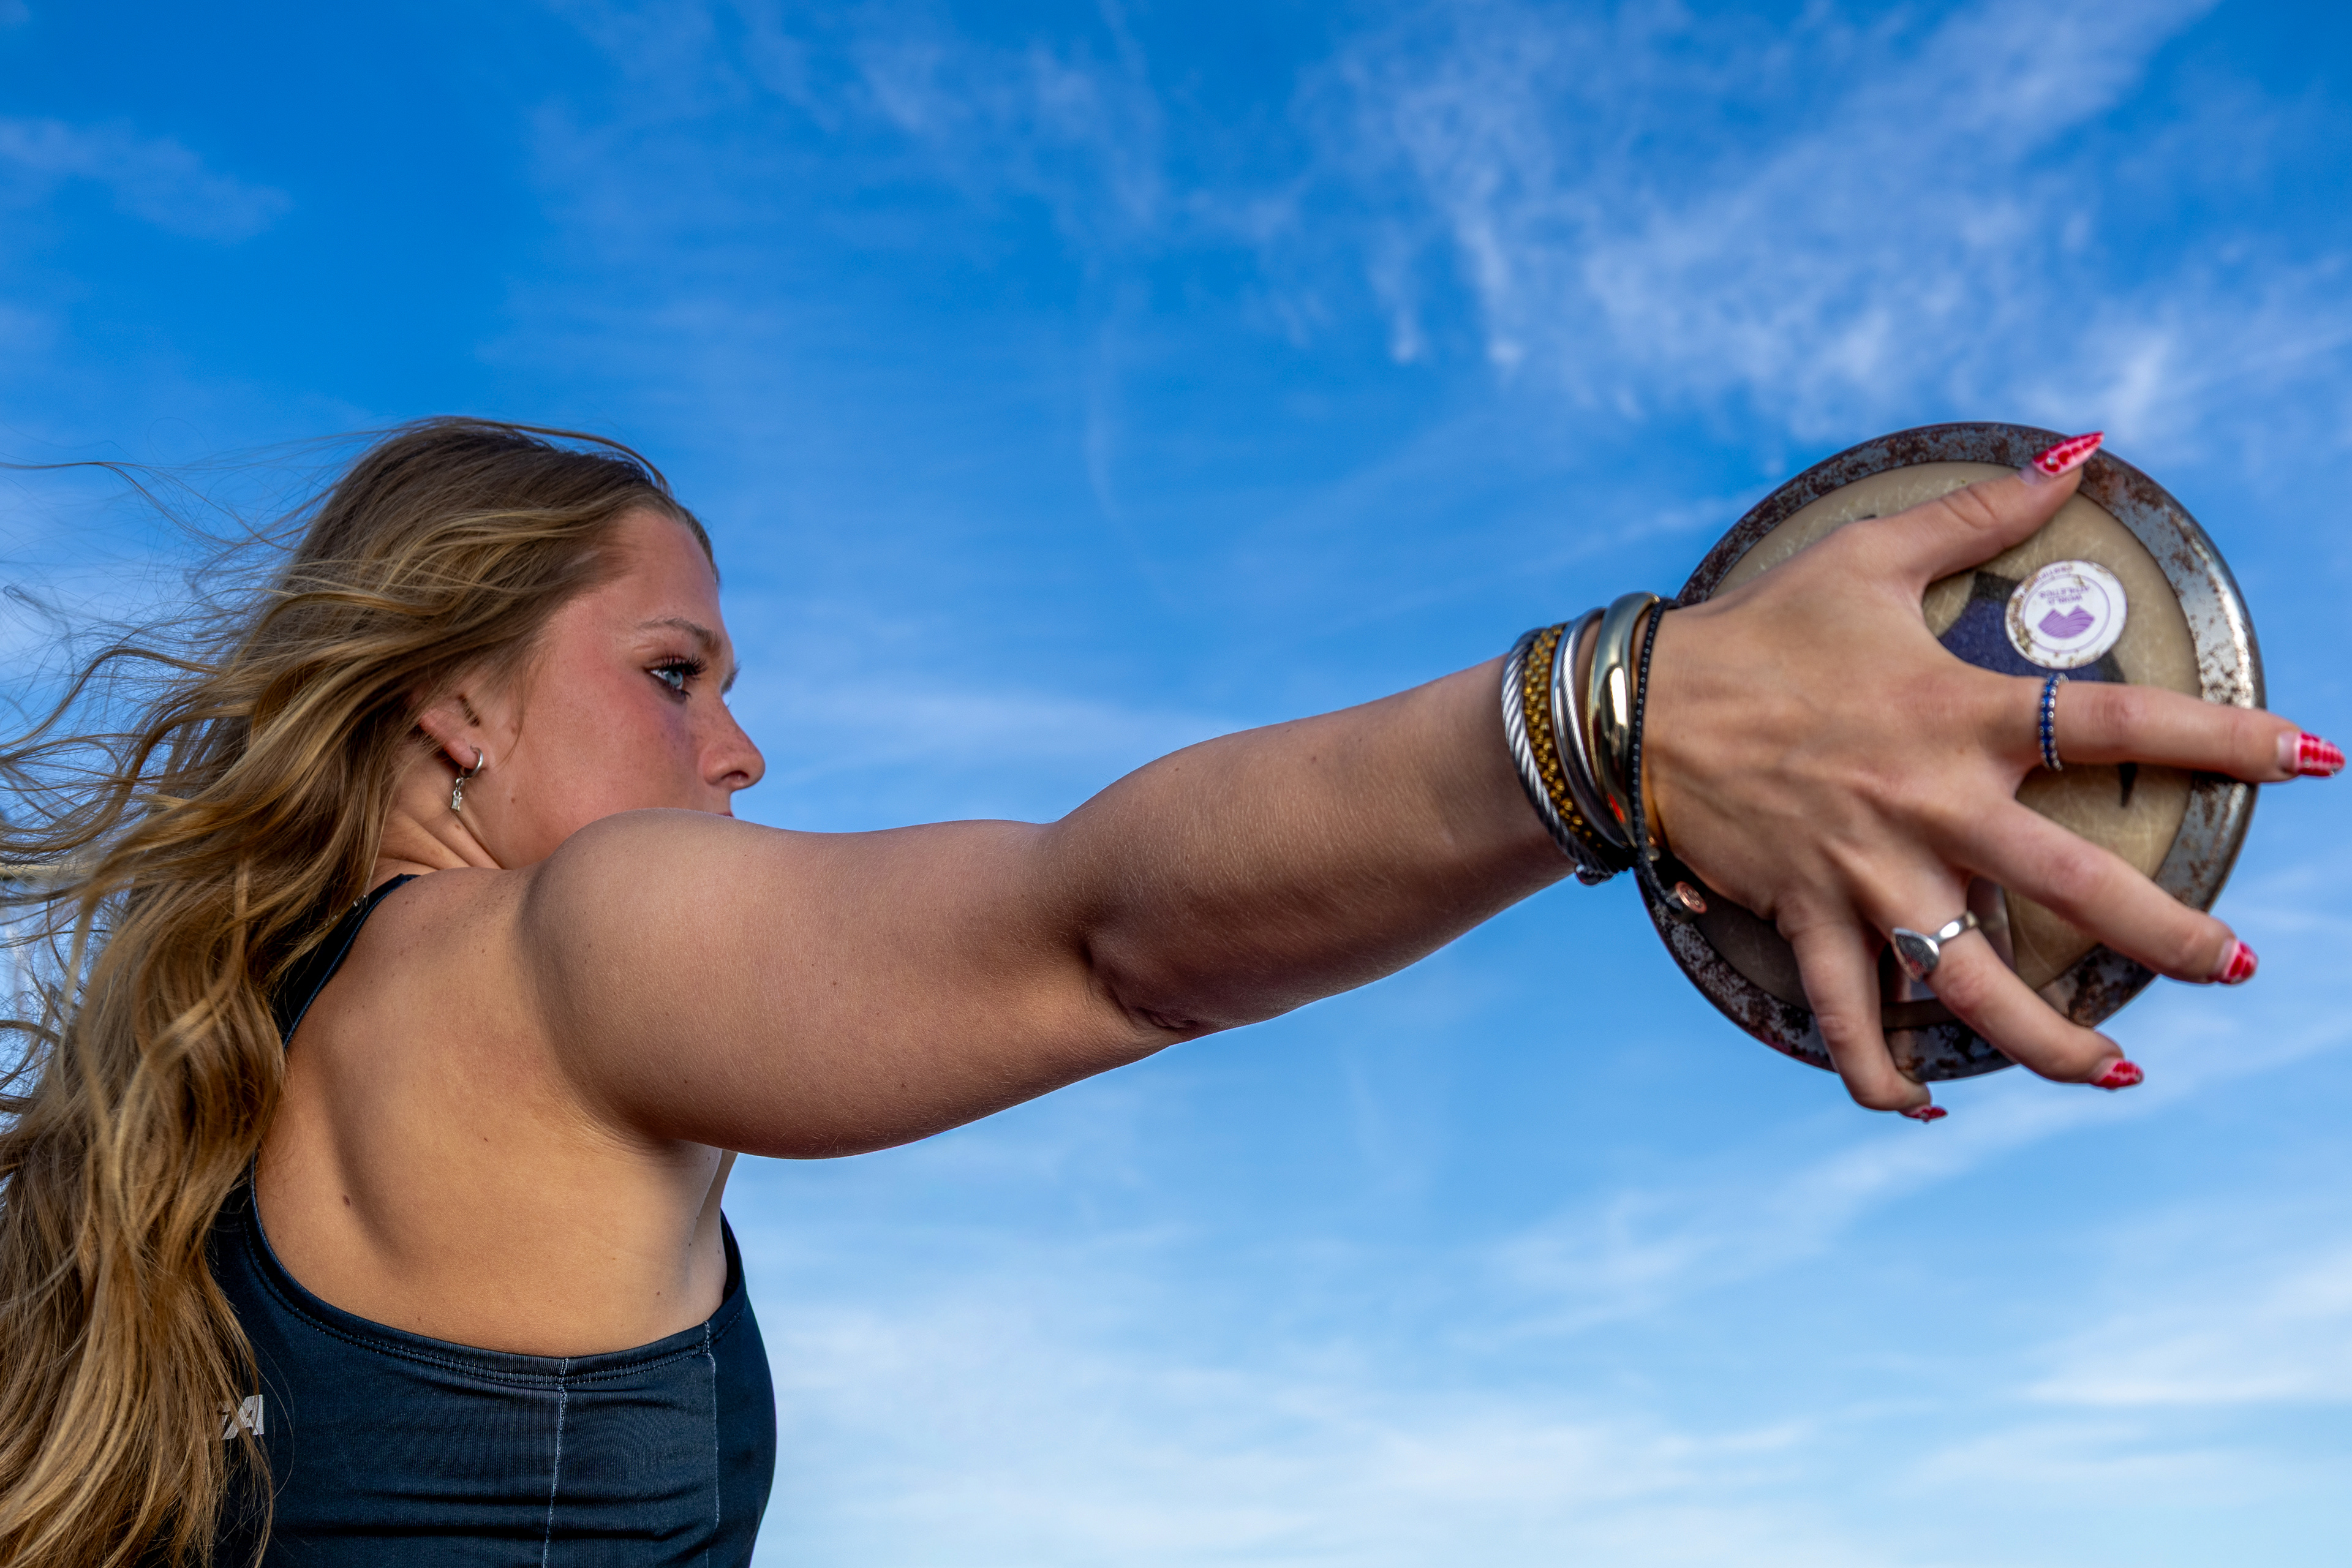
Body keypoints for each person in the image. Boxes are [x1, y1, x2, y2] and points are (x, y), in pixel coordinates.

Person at [0, 419, 2334, 1565]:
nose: (741, 751)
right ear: (450, 710)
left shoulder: (249, 1088)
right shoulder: (540, 963)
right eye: (676, 671)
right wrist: (1632, 717)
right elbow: (1097, 933)